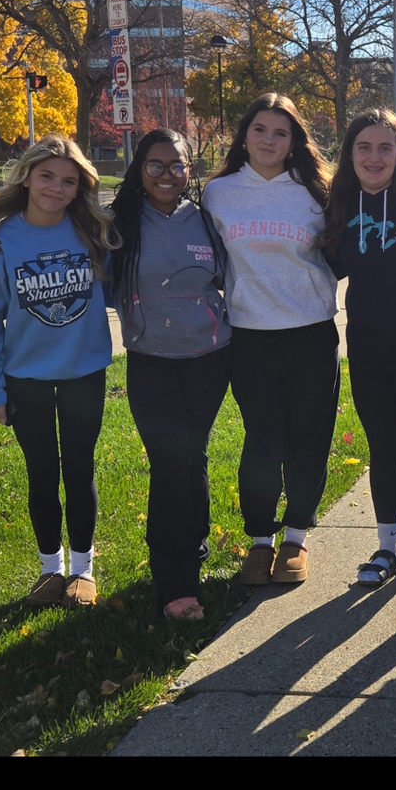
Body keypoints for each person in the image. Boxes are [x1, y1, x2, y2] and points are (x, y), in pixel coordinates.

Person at [0, 135, 120, 608]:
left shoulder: (92, 233)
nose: (57, 187)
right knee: (42, 473)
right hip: (24, 379)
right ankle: (51, 570)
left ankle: (83, 570)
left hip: (84, 374)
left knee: (80, 468)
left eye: (69, 181)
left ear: (79, 188)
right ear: (26, 176)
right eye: (47, 176)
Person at [202, 93, 339, 586]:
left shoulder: (317, 191)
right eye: (260, 129)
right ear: (244, 134)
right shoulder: (218, 194)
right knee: (262, 442)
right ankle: (260, 540)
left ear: (293, 141)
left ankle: (296, 537)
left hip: (311, 335)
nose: (268, 140)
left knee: (307, 441)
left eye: (280, 132)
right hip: (250, 337)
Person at [109, 129, 232, 621]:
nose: (165, 175)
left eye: (176, 165)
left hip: (209, 358)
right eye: (155, 165)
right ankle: (174, 582)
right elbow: (51, 224)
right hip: (150, 361)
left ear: (189, 170)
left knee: (191, 456)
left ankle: (194, 549)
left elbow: (230, 276)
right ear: (141, 168)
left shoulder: (205, 221)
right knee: (169, 462)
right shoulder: (116, 224)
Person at [319, 110, 396, 590]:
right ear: (350, 153)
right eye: (363, 147)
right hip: (366, 348)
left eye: (385, 147)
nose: (374, 156)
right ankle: (386, 546)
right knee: (382, 448)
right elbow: (329, 264)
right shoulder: (338, 207)